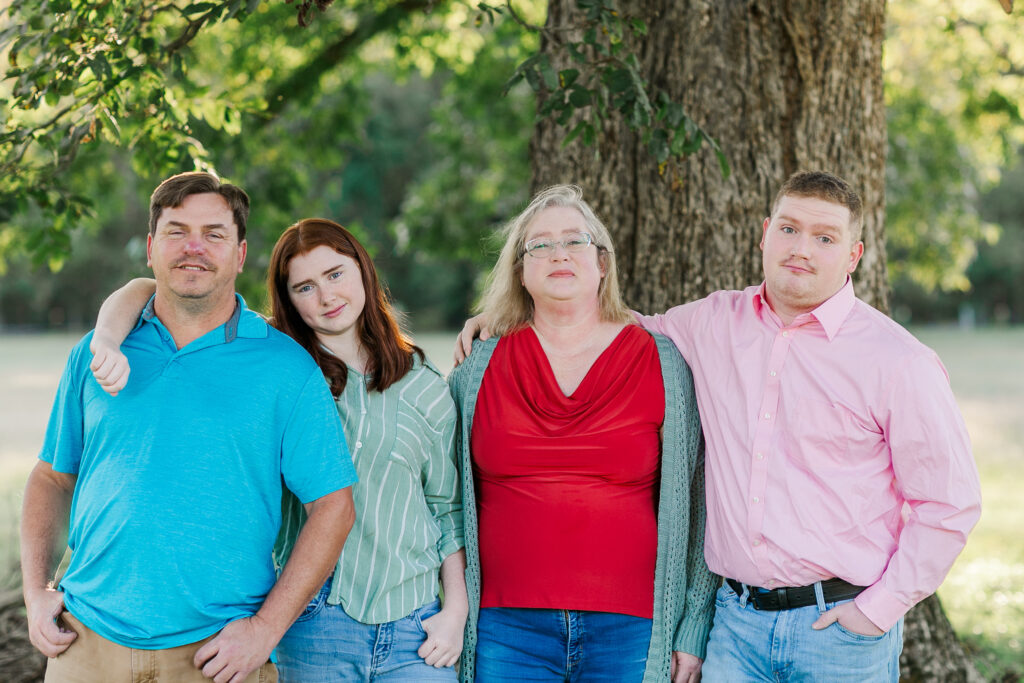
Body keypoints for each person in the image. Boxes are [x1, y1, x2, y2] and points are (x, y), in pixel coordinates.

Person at [456, 171, 983, 682]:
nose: (801, 248)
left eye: (825, 237)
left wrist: (877, 610)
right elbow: (603, 324)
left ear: (853, 255)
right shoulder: (710, 323)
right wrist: (495, 321)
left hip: (839, 629)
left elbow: (950, 504)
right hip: (737, 631)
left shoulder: (897, 361)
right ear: (764, 234)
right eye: (788, 229)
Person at [89, 218, 468, 681]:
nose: (327, 297)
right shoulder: (273, 369)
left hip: (415, 625)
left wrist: (456, 613)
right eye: (304, 286)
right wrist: (106, 340)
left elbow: (447, 511)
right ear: (287, 299)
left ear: (363, 271)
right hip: (312, 623)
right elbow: (145, 288)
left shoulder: (424, 387)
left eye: (335, 274)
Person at [21, 172, 358, 683]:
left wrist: (265, 631)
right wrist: (34, 591)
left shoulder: (284, 368)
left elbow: (333, 507)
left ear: (240, 254)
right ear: (152, 248)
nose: (194, 248)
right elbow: (51, 477)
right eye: (177, 232)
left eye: (214, 234)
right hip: (85, 642)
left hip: (217, 655)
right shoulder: (99, 351)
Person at [448, 185, 717, 683]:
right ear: (521, 271)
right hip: (505, 629)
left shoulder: (664, 361)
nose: (559, 254)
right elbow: (445, 499)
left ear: (602, 263)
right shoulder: (478, 366)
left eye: (575, 240)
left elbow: (701, 503)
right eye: (540, 245)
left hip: (633, 628)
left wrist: (693, 625)